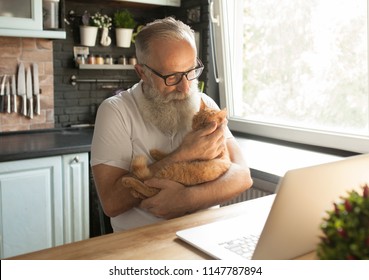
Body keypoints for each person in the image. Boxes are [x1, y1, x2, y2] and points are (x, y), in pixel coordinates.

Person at [91, 17, 253, 232]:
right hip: (142, 246)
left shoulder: (206, 103)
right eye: (172, 77)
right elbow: (111, 203)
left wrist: (187, 199)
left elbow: (242, 176)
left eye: (191, 71)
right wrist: (182, 154)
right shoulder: (116, 111)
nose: (185, 88)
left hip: (207, 236)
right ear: (142, 73)